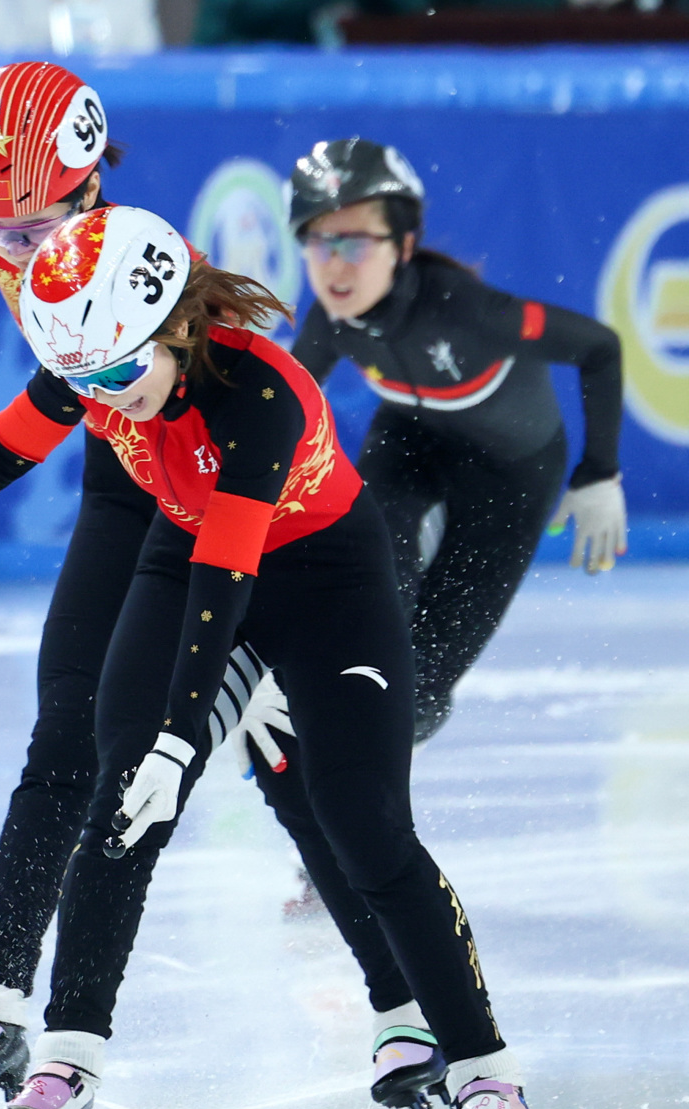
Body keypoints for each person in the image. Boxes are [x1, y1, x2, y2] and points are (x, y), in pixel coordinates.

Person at [0, 64, 445, 1109]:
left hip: (214, 488)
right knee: (69, 730)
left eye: (40, 222)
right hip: (121, 468)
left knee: (280, 751)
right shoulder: (27, 243)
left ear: (95, 188)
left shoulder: (138, 276)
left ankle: (403, 1007)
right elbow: (28, 418)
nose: (20, 251)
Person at [0, 204, 562, 1109]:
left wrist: (183, 736)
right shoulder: (107, 362)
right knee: (123, 804)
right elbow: (13, 449)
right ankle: (68, 1051)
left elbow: (228, 583)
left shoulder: (258, 394)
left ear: (173, 330)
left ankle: (482, 1067)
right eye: (85, 384)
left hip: (322, 581)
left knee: (362, 822)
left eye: (118, 376)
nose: (104, 400)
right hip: (191, 559)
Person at [287, 136, 626, 743]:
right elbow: (279, 412)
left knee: (419, 689)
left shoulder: (470, 312)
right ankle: (328, 736)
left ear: (404, 246)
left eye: (355, 242)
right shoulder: (328, 320)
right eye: (319, 241)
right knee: (366, 589)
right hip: (411, 442)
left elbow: (599, 347)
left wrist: (599, 471)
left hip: (512, 478)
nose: (335, 264)